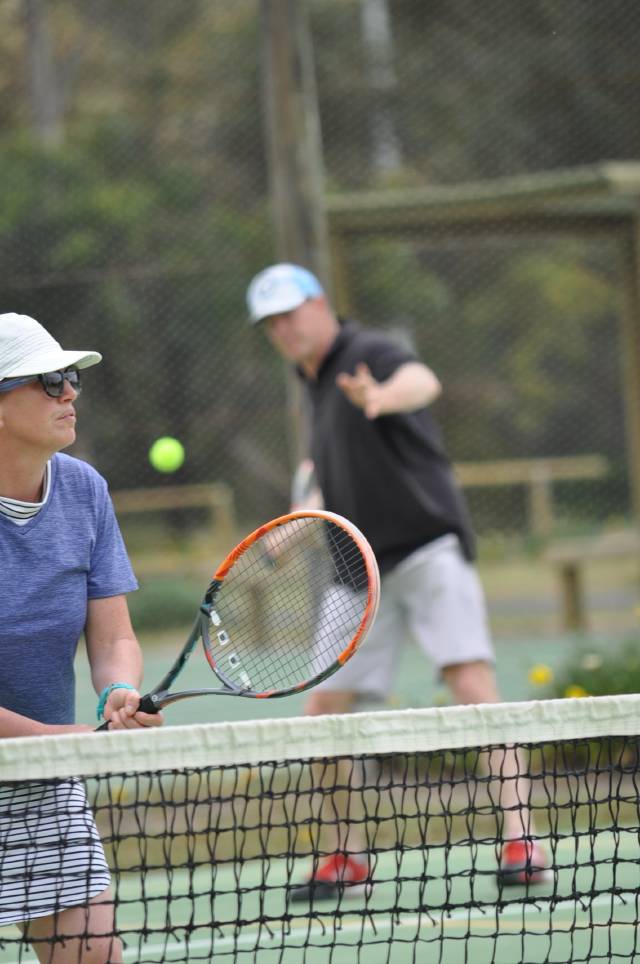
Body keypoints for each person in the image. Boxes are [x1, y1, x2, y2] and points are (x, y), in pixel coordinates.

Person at [246, 263, 549, 900]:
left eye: (291, 312)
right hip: (356, 569)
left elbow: (422, 379)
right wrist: (291, 532)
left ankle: (522, 841)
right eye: (271, 322)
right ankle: (345, 859)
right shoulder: (315, 386)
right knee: (323, 711)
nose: (284, 328)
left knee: (471, 681)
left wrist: (384, 396)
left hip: (426, 546)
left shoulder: (367, 353)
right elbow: (333, 482)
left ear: (321, 304)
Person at [0, 312, 163, 963]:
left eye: (70, 378)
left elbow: (111, 637)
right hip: (44, 753)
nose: (71, 392)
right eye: (49, 380)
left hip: (40, 785)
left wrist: (118, 692)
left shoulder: (84, 491)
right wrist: (59, 742)